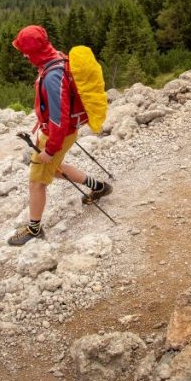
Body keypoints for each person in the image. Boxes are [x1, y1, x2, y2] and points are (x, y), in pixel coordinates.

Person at [7, 25, 112, 246]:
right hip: (62, 132)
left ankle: (34, 228)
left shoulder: (52, 76)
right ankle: (98, 186)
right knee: (54, 168)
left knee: (36, 181)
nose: (24, 57)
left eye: (26, 52)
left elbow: (59, 119)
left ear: (34, 52)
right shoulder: (57, 59)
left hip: (57, 135)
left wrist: (50, 148)